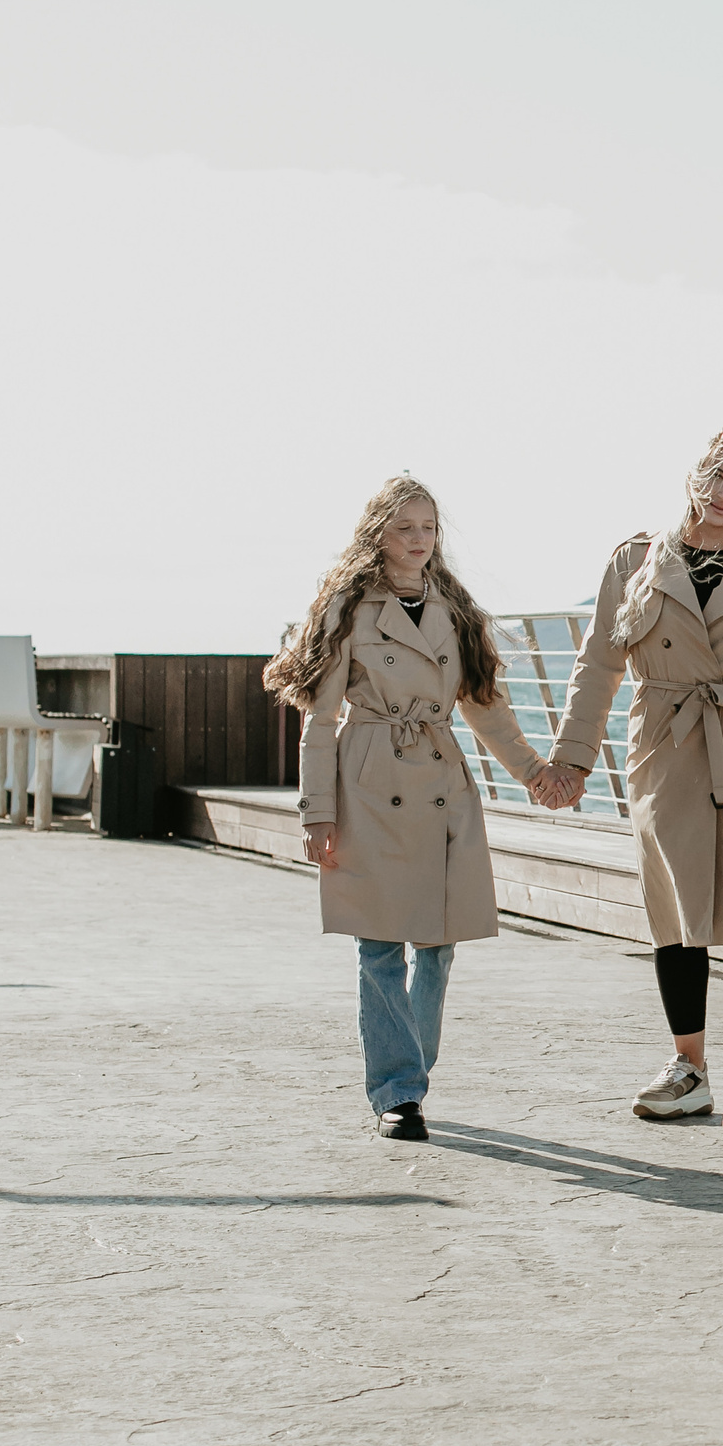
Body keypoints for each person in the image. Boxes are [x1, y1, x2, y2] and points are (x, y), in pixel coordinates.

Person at [532, 427, 723, 1142]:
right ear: (694, 476)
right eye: (718, 476)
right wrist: (572, 760)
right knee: (675, 910)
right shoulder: (635, 559)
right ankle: (688, 1068)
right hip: (665, 747)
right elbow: (598, 665)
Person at [265, 476, 554, 1140]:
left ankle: (409, 1070)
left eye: (428, 527)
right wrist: (317, 811)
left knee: (439, 944)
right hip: (370, 782)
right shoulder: (348, 607)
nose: (419, 539)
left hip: (440, 779)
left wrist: (535, 773)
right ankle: (399, 1091)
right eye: (405, 527)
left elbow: (484, 706)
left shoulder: (455, 606)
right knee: (379, 944)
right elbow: (320, 718)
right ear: (378, 535)